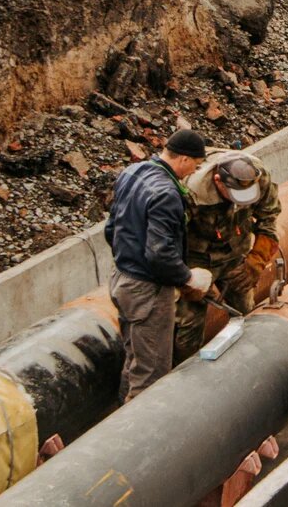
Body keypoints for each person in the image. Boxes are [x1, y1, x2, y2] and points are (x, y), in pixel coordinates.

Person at [105, 128, 213, 401]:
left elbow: (111, 229)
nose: (191, 173)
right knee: (151, 374)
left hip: (122, 280)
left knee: (134, 358)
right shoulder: (166, 193)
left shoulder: (133, 172)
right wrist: (187, 278)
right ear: (185, 159)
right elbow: (159, 253)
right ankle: (138, 436)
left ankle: (119, 418)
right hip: (148, 291)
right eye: (195, 166)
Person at [174, 151, 282, 363]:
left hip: (235, 254)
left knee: (245, 314)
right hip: (196, 260)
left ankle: (250, 365)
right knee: (187, 327)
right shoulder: (190, 193)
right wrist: (188, 279)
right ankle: (184, 374)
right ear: (218, 181)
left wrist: (256, 261)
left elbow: (269, 220)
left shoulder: (258, 177)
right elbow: (170, 242)